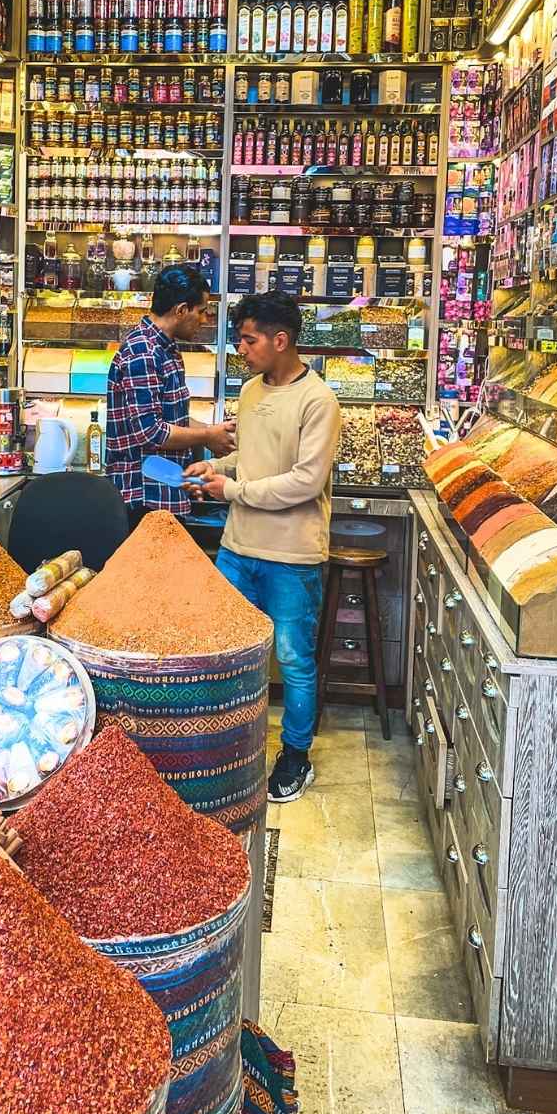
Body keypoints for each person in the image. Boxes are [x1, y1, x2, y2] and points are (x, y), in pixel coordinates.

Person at [186, 291, 341, 803]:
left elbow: (305, 481)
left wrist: (232, 491)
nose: (241, 348)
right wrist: (217, 469)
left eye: (249, 339)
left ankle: (295, 755)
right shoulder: (251, 391)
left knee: (293, 659)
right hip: (239, 548)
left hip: (292, 556)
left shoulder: (318, 401)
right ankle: (230, 744)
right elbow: (249, 461)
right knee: (227, 651)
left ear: (281, 340)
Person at [106, 263, 236, 530]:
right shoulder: (143, 351)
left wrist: (217, 432)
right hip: (143, 496)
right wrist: (208, 436)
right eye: (201, 312)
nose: (204, 319)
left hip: (164, 490)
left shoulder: (166, 349)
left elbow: (173, 419)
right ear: (181, 310)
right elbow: (150, 432)